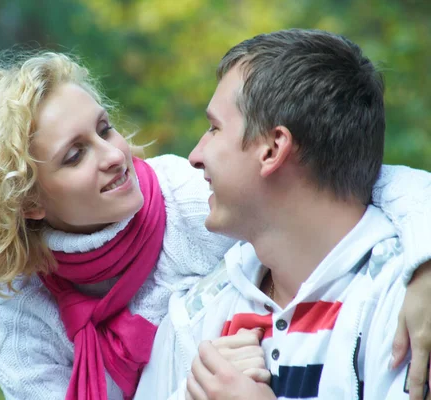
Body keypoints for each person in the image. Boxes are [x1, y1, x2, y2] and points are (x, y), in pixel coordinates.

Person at [0, 49, 431, 400]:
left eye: (105, 129)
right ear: (27, 201)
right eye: (75, 155)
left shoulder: (189, 200)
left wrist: (425, 258)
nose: (115, 156)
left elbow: (341, 178)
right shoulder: (18, 310)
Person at [134, 29, 431, 400]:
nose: (195, 154)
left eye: (214, 128)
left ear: (273, 149)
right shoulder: (196, 317)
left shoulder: (409, 308)